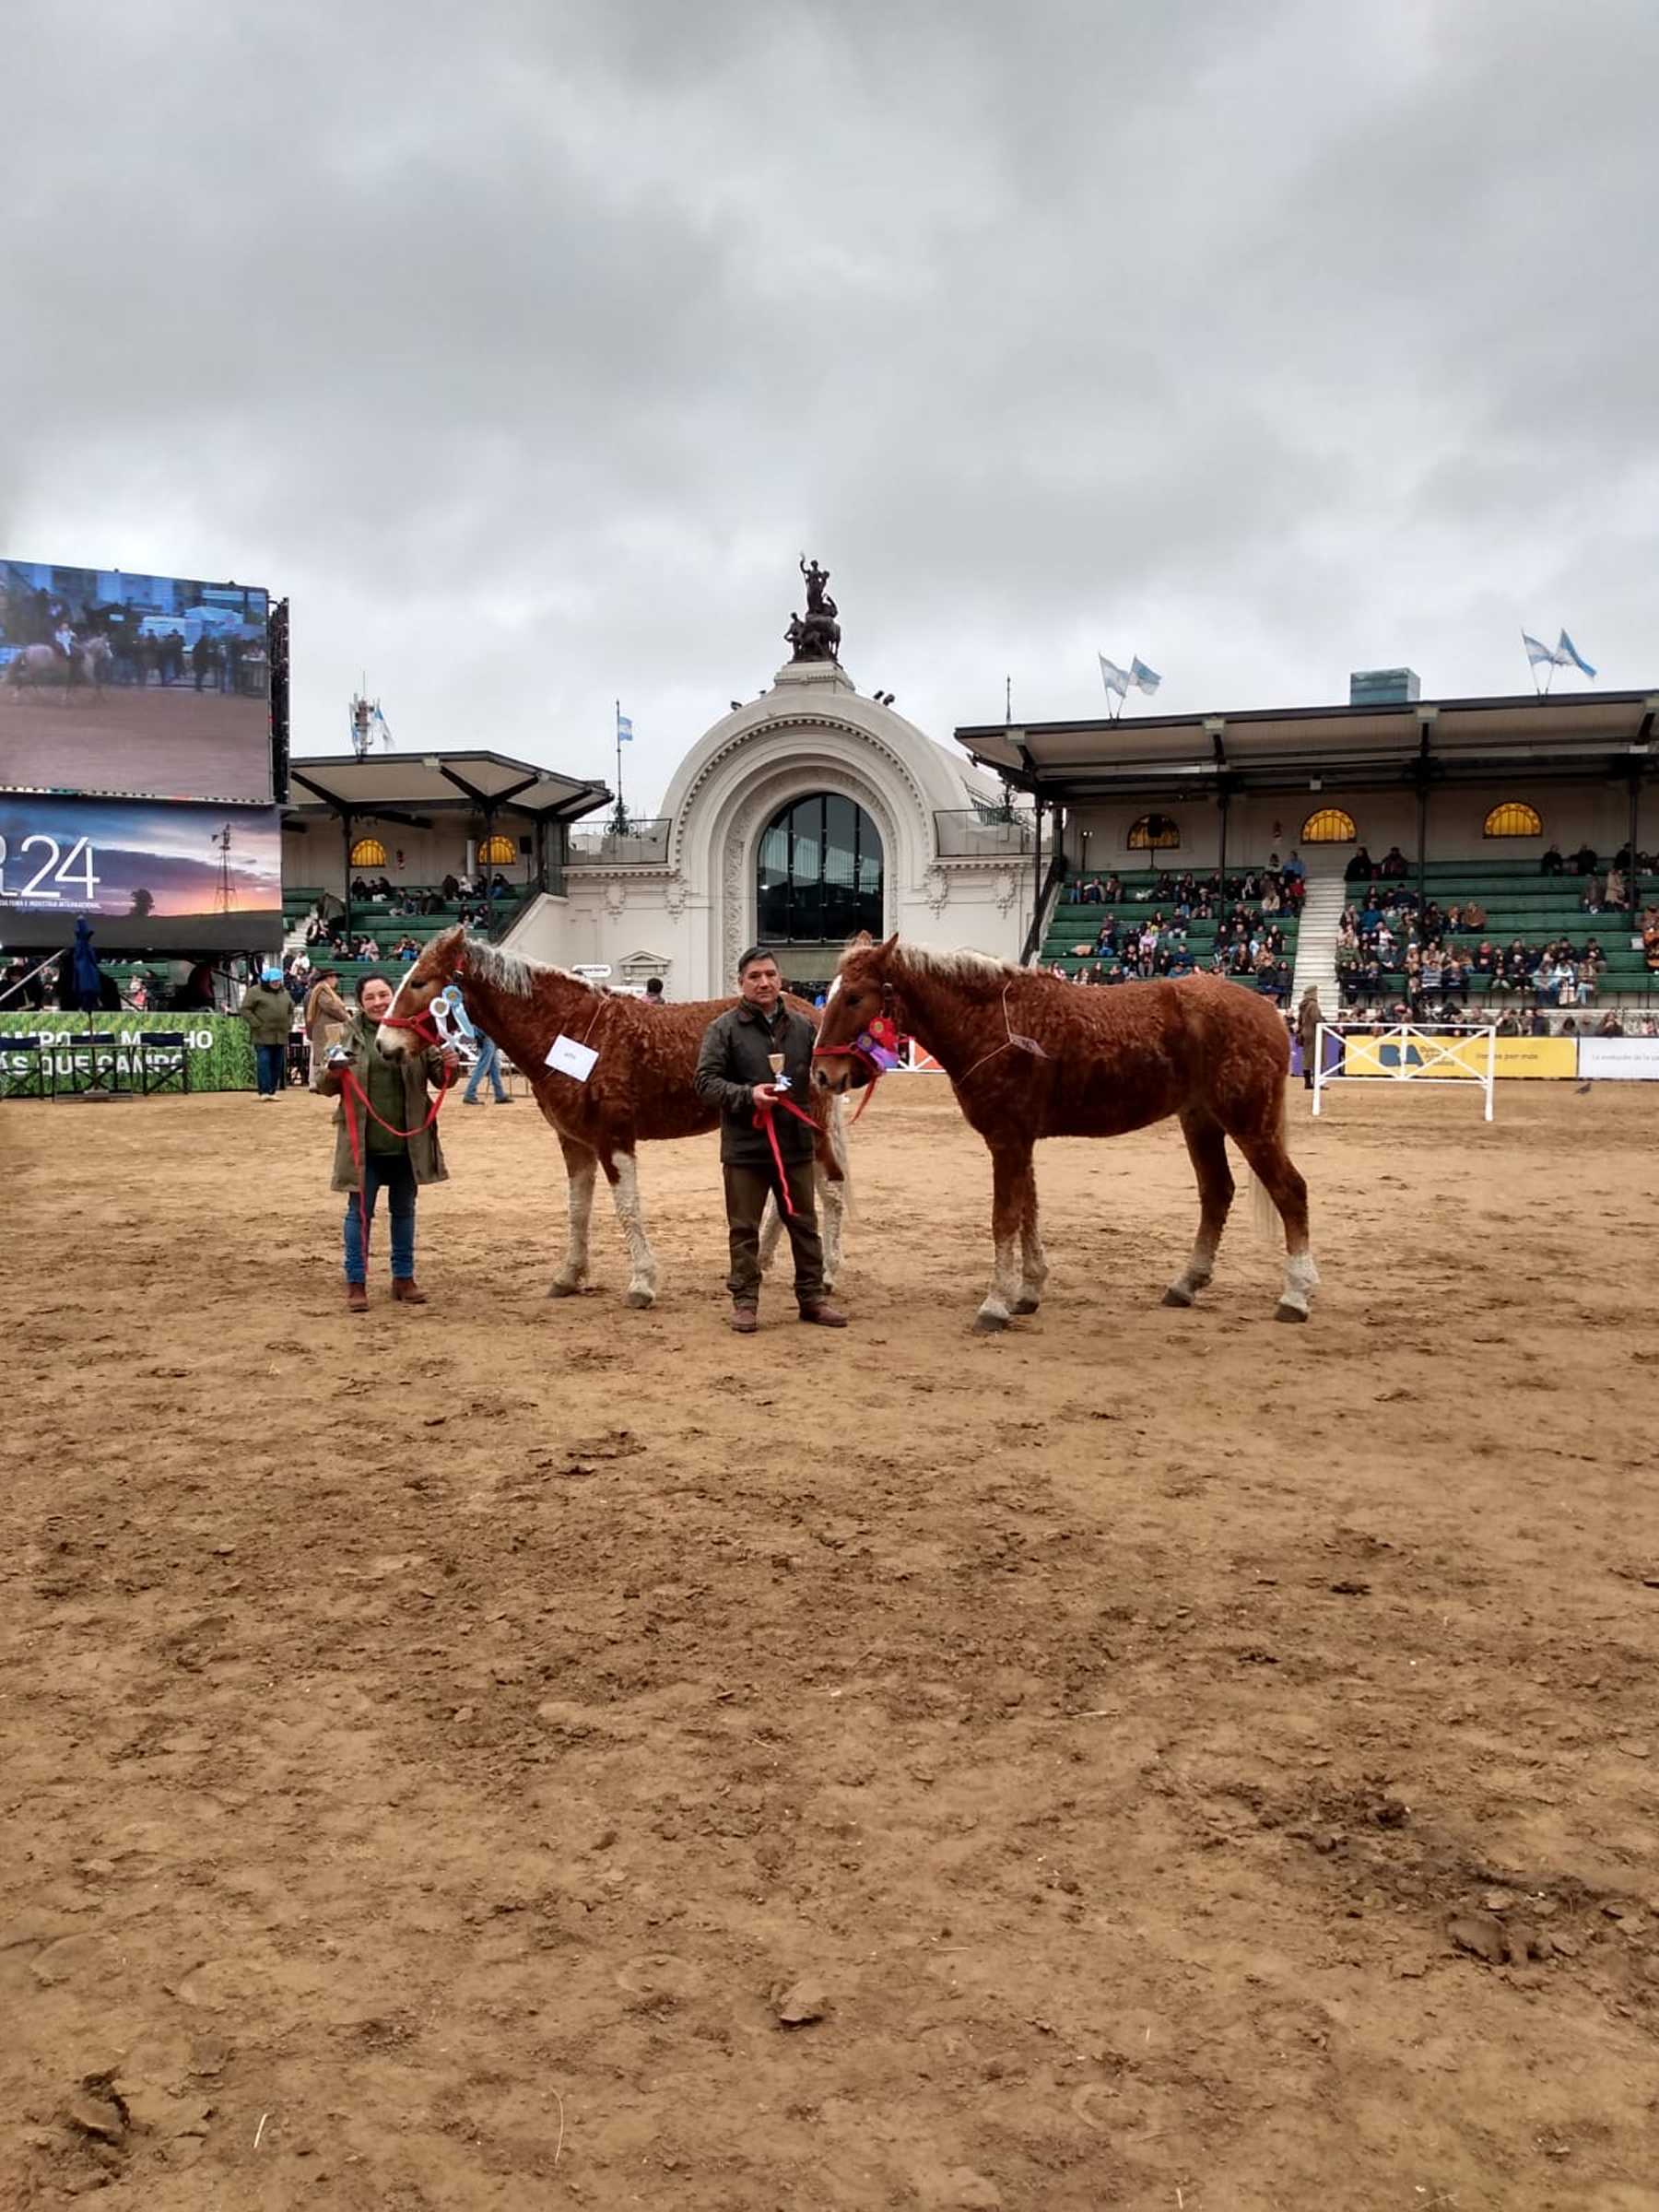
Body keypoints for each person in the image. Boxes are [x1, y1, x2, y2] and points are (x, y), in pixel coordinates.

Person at [693, 946, 847, 1333]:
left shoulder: (803, 1028)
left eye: (770, 975)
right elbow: (705, 1082)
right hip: (746, 1146)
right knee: (743, 1227)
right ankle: (745, 1301)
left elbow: (823, 1069)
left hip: (794, 1142)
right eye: (755, 976)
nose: (764, 982)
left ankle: (811, 1298)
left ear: (780, 979)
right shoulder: (722, 1030)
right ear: (741, 983)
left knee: (803, 1223)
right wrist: (749, 1096)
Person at [318, 973, 455, 1311]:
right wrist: (333, 1071)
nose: (378, 1002)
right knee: (359, 1215)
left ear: (393, 995)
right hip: (363, 1144)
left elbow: (441, 1078)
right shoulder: (346, 1034)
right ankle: (356, 1283)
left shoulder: (414, 1030)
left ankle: (403, 1279)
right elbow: (324, 1084)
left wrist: (450, 1064)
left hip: (409, 1143)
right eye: (370, 997)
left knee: (404, 1212)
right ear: (360, 1003)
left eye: (383, 994)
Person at [240, 964, 294, 1099]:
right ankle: (264, 1091)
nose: (276, 983)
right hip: (262, 1035)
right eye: (274, 981)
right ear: (267, 981)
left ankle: (272, 1091)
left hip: (280, 1035)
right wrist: (256, 1023)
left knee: (277, 1064)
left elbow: (291, 1010)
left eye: (278, 981)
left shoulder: (285, 993)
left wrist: (289, 1023)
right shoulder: (254, 991)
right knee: (264, 1062)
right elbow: (245, 1009)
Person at [303, 967, 351, 1088]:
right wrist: (347, 1018)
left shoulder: (322, 991)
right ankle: (320, 1083)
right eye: (334, 977)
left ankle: (323, 1082)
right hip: (326, 1029)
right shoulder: (322, 992)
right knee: (326, 1056)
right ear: (327, 978)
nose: (336, 980)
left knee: (329, 1055)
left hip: (329, 1029)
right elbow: (332, 1007)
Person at [463, 1027, 513, 1106]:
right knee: (482, 1068)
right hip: (487, 1037)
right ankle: (469, 1094)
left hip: (489, 1038)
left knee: (495, 1069)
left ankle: (499, 1095)